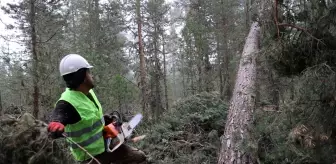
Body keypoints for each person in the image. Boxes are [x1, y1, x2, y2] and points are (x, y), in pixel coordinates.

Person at [47, 54, 147, 164]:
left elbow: (88, 116)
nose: (92, 75)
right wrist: (56, 124)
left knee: (139, 158)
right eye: (88, 72)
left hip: (106, 145)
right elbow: (59, 115)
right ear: (82, 76)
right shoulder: (66, 102)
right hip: (90, 158)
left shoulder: (88, 93)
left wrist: (104, 120)